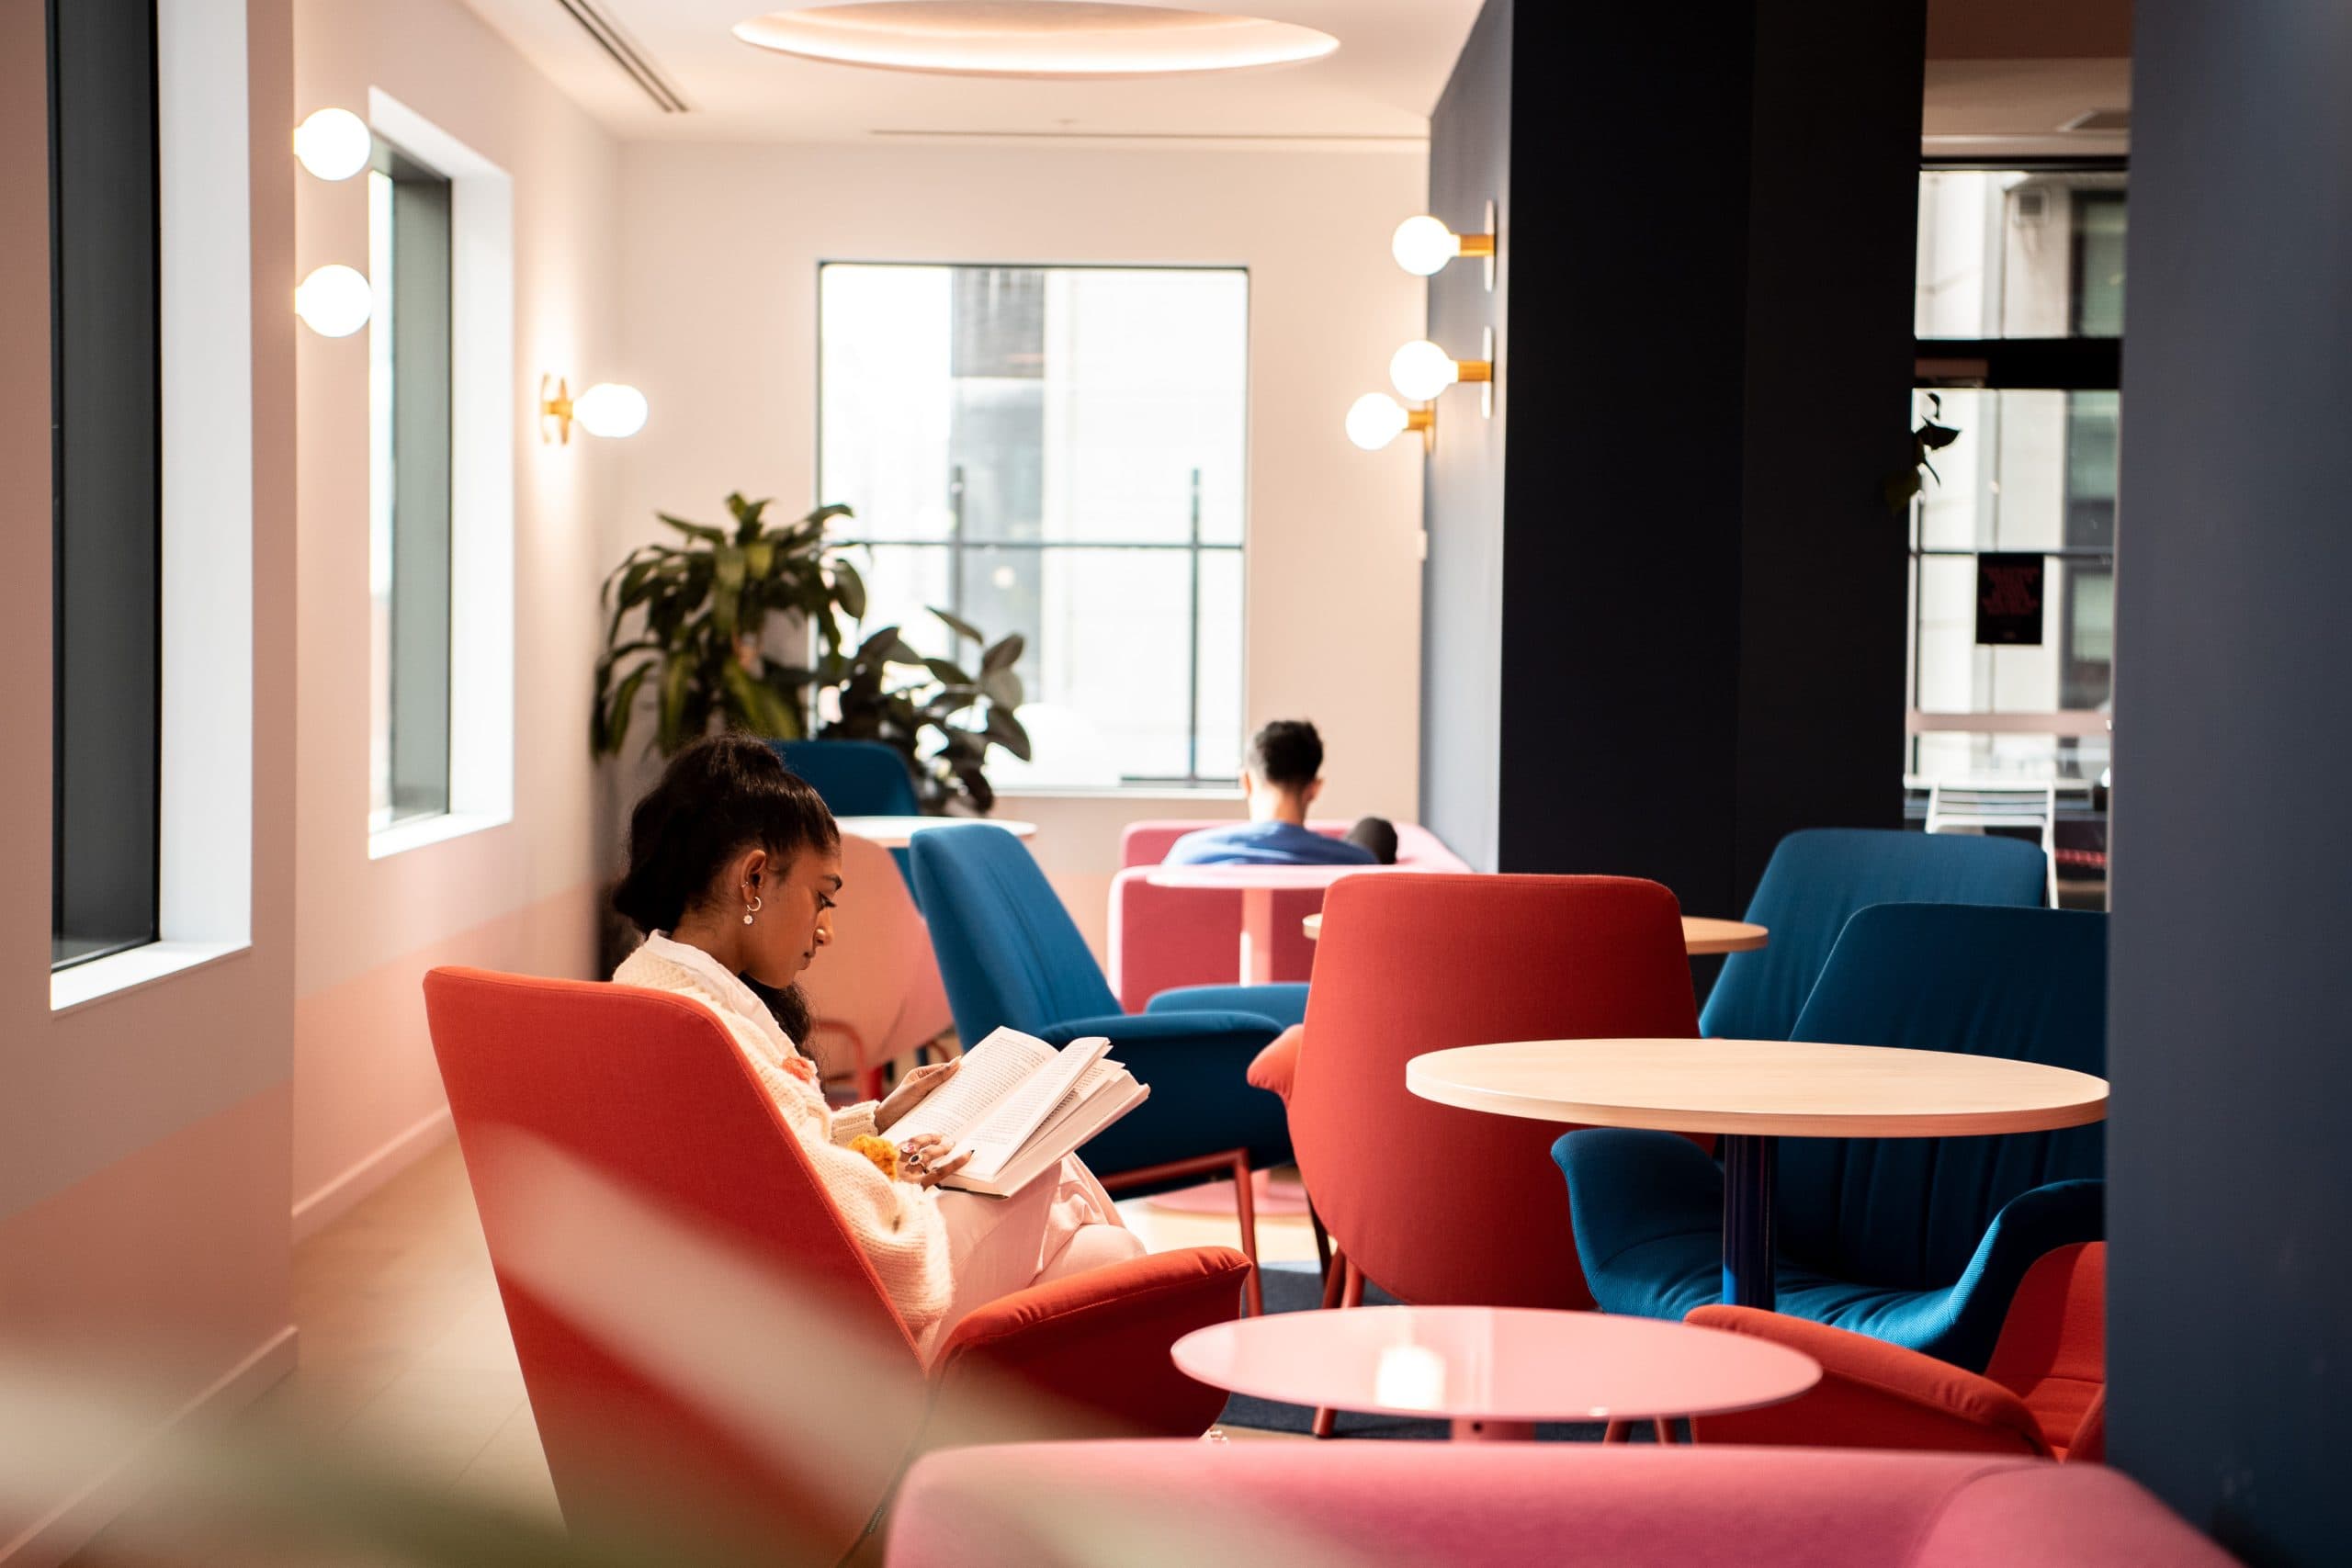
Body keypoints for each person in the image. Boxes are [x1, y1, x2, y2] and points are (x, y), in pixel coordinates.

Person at [610, 735, 1142, 1355]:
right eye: (822, 896)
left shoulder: (647, 983)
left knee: (1110, 1258)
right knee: (1041, 1163)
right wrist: (910, 1179)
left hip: (768, 1308)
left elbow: (769, 1156)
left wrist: (879, 1122)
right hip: (845, 1337)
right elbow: (869, 1243)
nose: (826, 930)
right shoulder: (708, 1029)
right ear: (753, 878)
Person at [1164, 719, 1398, 866]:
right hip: (1314, 948)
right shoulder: (1357, 864)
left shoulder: (1189, 855)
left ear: (1246, 782)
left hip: (1212, 948)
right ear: (1314, 789)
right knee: (1375, 829)